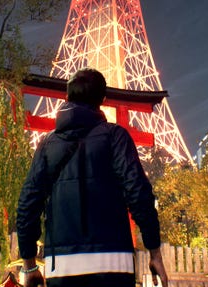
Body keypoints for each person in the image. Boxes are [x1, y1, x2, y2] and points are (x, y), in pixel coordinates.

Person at [16, 68, 169, 287]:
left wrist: (29, 265)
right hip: (113, 262)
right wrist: (154, 252)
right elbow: (138, 194)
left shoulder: (47, 145)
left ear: (66, 98)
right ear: (103, 100)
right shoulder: (115, 137)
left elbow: (28, 204)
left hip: (62, 266)